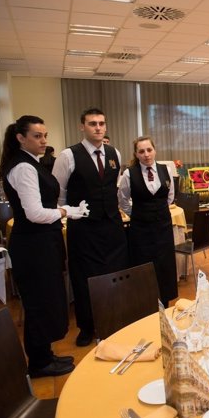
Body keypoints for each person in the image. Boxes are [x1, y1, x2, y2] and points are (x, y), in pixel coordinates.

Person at [0, 116, 86, 377]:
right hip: (33, 246)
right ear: (20, 138)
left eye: (45, 135)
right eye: (37, 136)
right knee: (39, 304)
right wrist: (65, 211)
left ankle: (45, 355)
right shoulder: (23, 167)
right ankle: (38, 363)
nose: (44, 140)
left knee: (47, 300)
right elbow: (35, 213)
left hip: (42, 243)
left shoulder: (31, 163)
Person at [52, 107, 129, 346]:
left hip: (112, 226)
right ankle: (87, 326)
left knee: (115, 274)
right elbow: (59, 194)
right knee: (85, 278)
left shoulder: (114, 152)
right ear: (82, 127)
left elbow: (112, 188)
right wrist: (75, 213)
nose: (98, 127)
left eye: (101, 123)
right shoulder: (68, 156)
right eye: (92, 123)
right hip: (84, 228)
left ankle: (115, 320)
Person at [118, 136, 177, 306]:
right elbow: (122, 200)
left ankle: (164, 302)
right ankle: (145, 304)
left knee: (164, 265)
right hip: (141, 231)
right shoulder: (129, 174)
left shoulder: (165, 170)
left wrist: (157, 211)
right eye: (141, 151)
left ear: (155, 150)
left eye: (149, 150)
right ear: (136, 154)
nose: (146, 154)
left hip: (163, 228)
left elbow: (169, 197)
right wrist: (139, 213)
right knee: (144, 266)